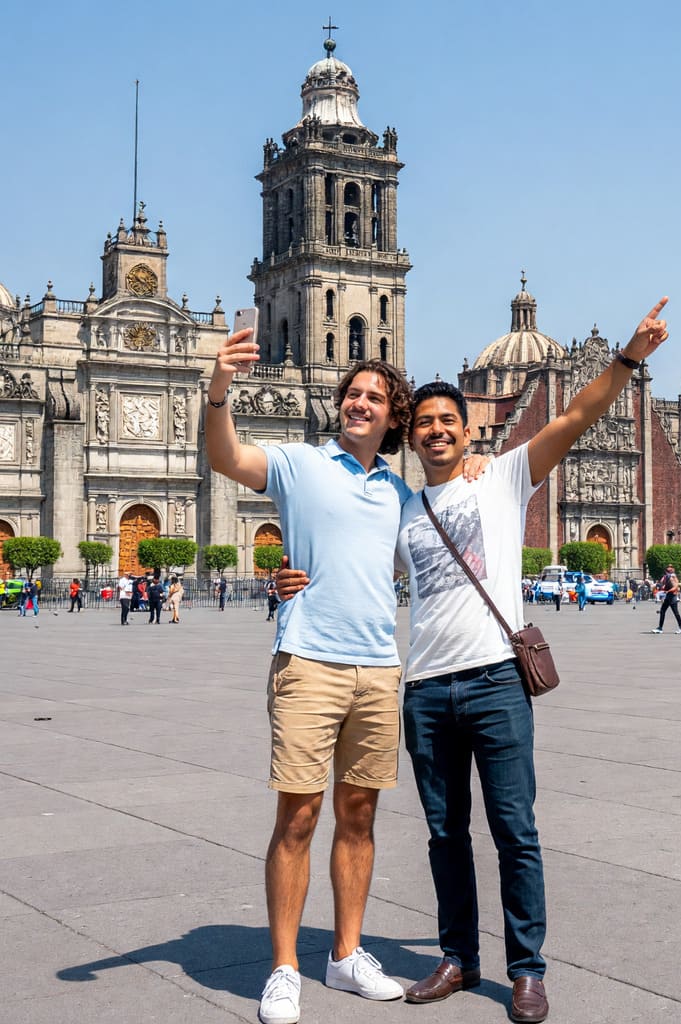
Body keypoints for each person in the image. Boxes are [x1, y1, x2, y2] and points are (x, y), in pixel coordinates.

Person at [278, 296, 670, 1024]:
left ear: (469, 429)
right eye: (423, 422)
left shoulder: (505, 476)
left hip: (495, 682)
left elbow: (577, 416)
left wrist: (629, 358)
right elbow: (346, 555)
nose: (435, 431)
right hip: (424, 690)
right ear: (411, 433)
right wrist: (288, 575)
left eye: (447, 422)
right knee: (444, 834)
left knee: (515, 830)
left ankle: (527, 970)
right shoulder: (397, 507)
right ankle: (459, 956)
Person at [205, 329, 488, 1024]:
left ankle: (347, 952)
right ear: (340, 405)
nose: (360, 404)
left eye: (375, 398)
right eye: (353, 394)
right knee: (298, 814)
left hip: (378, 668)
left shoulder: (399, 493)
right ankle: (282, 967)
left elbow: (439, 527)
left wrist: (474, 460)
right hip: (308, 661)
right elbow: (224, 456)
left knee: (359, 816)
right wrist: (217, 389)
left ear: (394, 419)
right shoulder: (300, 463)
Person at [652, 563, 681, 634]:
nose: (669, 568)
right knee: (662, 611)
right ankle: (660, 628)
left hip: (672, 597)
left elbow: (675, 586)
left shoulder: (672, 577)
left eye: (671, 567)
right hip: (668, 596)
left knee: (676, 613)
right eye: (668, 567)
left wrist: (668, 591)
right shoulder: (668, 577)